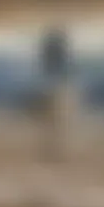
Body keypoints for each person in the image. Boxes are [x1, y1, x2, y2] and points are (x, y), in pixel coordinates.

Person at [38, 23, 77, 164]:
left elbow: (49, 64)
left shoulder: (53, 46)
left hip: (56, 78)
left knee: (55, 87)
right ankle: (56, 115)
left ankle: (55, 114)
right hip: (57, 78)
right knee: (57, 88)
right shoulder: (56, 46)